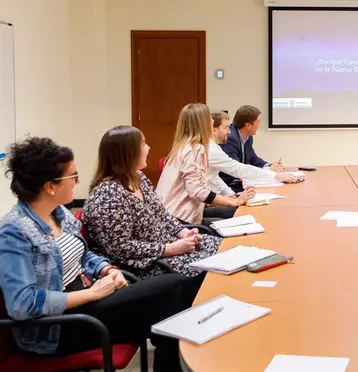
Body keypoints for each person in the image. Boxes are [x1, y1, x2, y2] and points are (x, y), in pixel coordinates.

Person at [0, 137, 194, 371]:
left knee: (173, 296)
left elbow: (83, 255)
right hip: (58, 329)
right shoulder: (14, 233)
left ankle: (169, 364)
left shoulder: (58, 212)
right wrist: (91, 294)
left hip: (88, 302)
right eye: (72, 176)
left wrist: (106, 269)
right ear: (50, 186)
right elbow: (23, 304)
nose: (78, 181)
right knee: (173, 291)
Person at [83, 125, 223, 279]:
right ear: (128, 153)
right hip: (147, 264)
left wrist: (183, 232)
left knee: (224, 247)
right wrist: (170, 249)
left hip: (169, 246)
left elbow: (162, 214)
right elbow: (120, 248)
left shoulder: (138, 177)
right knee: (215, 267)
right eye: (143, 144)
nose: (148, 148)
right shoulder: (107, 196)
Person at [157, 103, 253, 225]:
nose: (213, 120)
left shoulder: (182, 147)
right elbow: (197, 191)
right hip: (180, 221)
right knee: (239, 223)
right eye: (210, 118)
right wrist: (232, 201)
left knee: (235, 217)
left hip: (171, 216)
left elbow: (196, 187)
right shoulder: (196, 150)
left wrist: (226, 198)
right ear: (204, 123)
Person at [206, 111, 296, 219]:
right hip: (201, 208)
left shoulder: (212, 147)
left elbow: (214, 177)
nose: (229, 131)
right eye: (225, 127)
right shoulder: (211, 149)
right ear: (214, 130)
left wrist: (231, 195)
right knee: (250, 213)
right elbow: (238, 168)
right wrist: (275, 175)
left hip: (213, 198)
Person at [220, 105, 285, 193]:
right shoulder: (230, 138)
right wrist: (271, 173)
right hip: (230, 185)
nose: (259, 125)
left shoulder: (248, 136)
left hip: (241, 183)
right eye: (258, 122)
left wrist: (268, 166)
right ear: (248, 126)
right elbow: (237, 169)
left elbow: (252, 158)